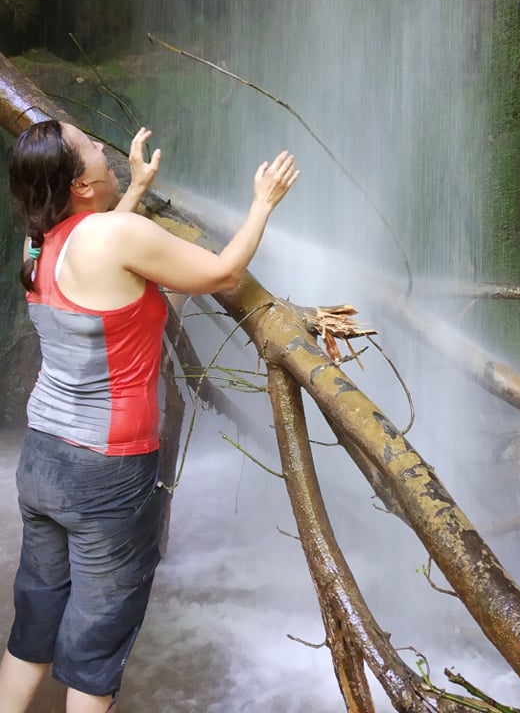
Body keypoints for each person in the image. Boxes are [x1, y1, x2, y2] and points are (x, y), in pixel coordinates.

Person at [0, 120, 299, 713]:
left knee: (35, 616)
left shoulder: (41, 241)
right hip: (105, 470)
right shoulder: (115, 237)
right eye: (92, 149)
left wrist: (134, 186)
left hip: (42, 461)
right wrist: (263, 205)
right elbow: (222, 274)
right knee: (96, 641)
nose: (106, 151)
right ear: (80, 185)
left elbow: (102, 251)